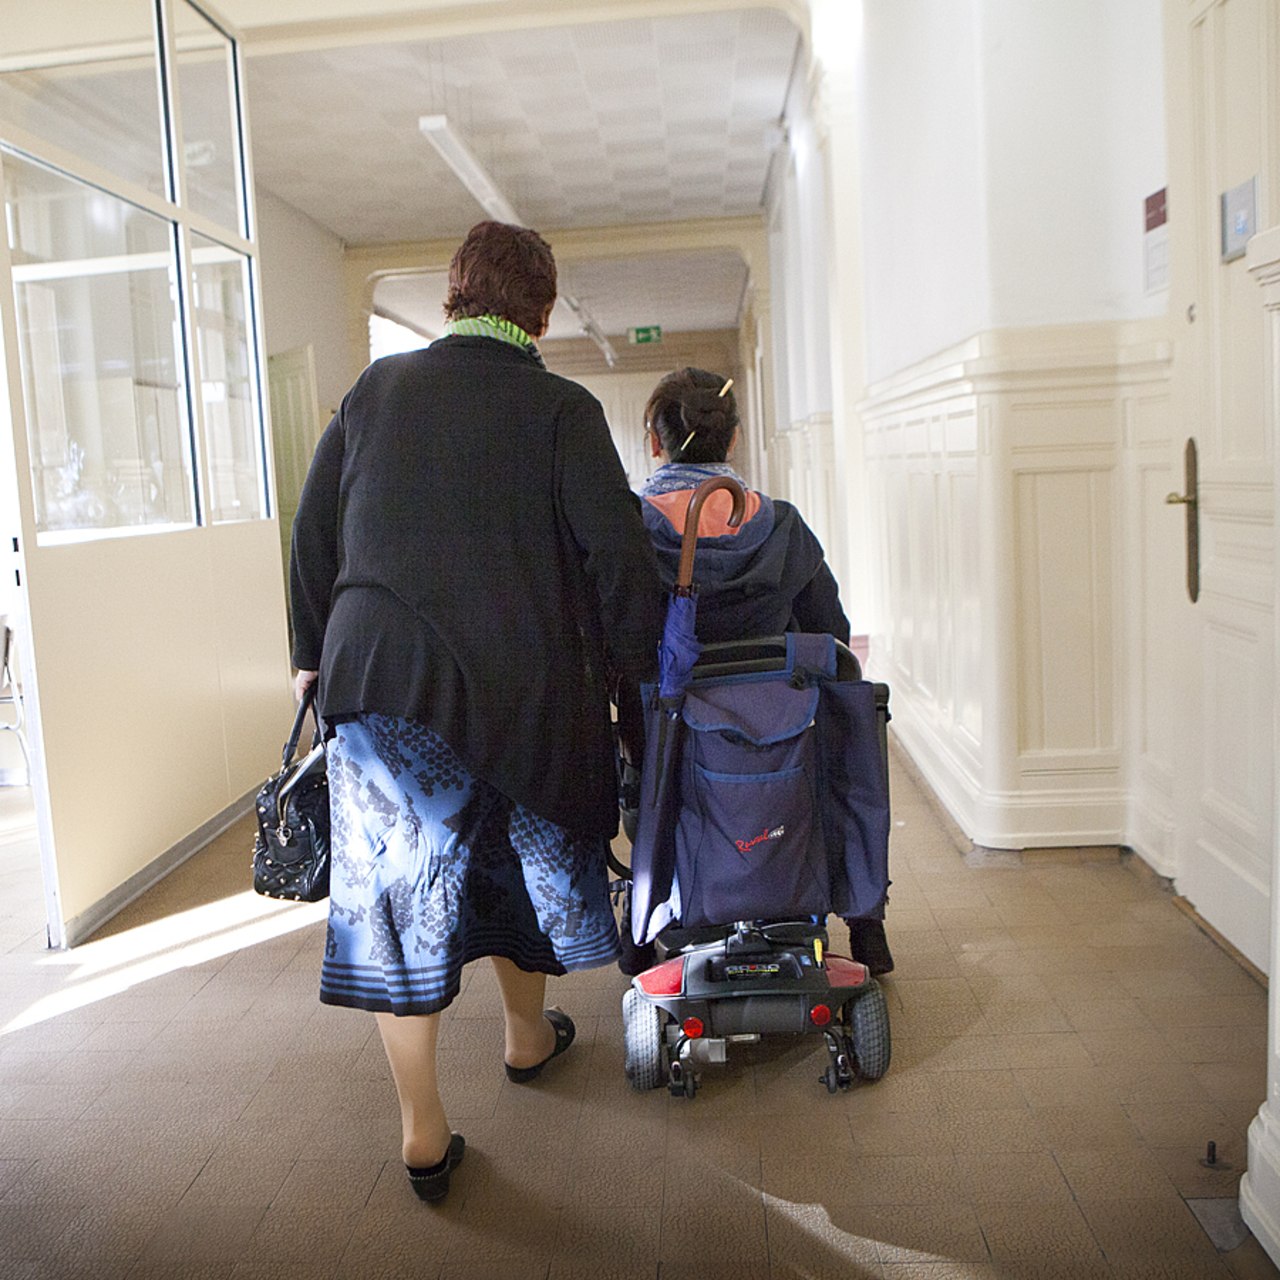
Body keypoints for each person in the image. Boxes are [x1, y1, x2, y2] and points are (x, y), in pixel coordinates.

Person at [289, 221, 664, 1203]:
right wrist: (638, 674)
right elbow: (617, 557)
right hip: (519, 691)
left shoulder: (374, 391)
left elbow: (312, 529)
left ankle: (423, 1129)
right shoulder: (560, 408)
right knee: (504, 869)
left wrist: (306, 656)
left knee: (396, 909)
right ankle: (526, 1036)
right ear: (539, 311)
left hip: (381, 684)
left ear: (453, 296)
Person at [635, 366, 894, 976]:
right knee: (849, 710)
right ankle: (864, 919)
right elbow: (831, 635)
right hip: (784, 730)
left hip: (677, 738)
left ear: (655, 440)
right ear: (734, 439)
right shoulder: (782, 526)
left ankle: (645, 923)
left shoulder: (632, 530)